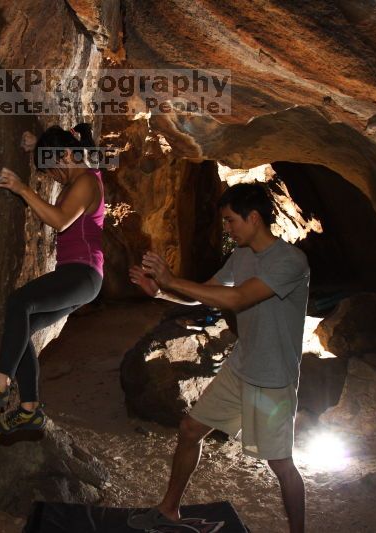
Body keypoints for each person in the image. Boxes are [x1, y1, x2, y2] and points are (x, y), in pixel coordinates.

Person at [127, 183, 309, 533]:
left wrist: (172, 278)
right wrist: (162, 290)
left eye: (230, 221)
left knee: (281, 464)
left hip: (272, 377)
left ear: (253, 218)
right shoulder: (242, 255)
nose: (227, 229)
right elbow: (206, 297)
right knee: (190, 429)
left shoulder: (289, 261)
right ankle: (168, 510)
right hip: (241, 366)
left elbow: (239, 298)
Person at [0, 124, 104, 434]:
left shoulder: (87, 181)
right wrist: (39, 145)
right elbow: (78, 150)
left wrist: (23, 188)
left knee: (19, 302)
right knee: (23, 327)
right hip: (78, 276)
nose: (51, 177)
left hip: (83, 273)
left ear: (65, 155)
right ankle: (29, 409)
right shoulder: (83, 173)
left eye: (51, 169)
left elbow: (61, 221)